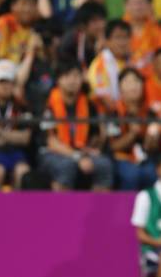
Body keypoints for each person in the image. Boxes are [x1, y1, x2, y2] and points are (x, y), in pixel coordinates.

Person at [39, 61, 113, 191]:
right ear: (58, 79)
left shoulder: (89, 104)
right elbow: (51, 141)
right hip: (53, 153)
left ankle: (100, 210)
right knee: (66, 166)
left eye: (77, 76)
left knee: (104, 164)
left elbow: (95, 137)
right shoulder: (47, 103)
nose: (72, 80)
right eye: (67, 76)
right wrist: (77, 156)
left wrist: (92, 147)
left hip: (81, 151)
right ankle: (62, 210)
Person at [0, 60, 32, 189]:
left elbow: (25, 138)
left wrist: (1, 134)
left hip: (14, 152)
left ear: (14, 83)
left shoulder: (21, 105)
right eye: (1, 81)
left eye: (8, 81)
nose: (5, 86)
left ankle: (17, 209)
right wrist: (11, 136)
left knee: (23, 172)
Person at [108, 68, 159, 190]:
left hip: (145, 159)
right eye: (128, 82)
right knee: (131, 175)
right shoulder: (114, 112)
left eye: (136, 82)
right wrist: (132, 134)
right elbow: (112, 146)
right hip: (121, 158)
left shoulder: (150, 113)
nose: (133, 86)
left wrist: (152, 139)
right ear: (120, 88)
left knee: (152, 173)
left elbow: (151, 148)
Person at [123, 0, 161, 75]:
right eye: (133, 3)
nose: (137, 7)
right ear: (125, 6)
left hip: (152, 78)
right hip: (126, 79)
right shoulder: (118, 30)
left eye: (141, 3)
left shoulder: (158, 30)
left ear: (149, 5)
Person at [87, 19, 131, 113]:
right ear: (107, 41)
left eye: (126, 37)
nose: (123, 42)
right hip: (110, 118)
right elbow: (108, 104)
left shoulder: (133, 60)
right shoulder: (99, 65)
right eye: (118, 38)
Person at [0, 0, 38, 64]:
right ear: (13, 6)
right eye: (24, 4)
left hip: (26, 68)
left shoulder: (37, 27)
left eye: (31, 5)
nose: (27, 9)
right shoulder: (3, 23)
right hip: (4, 66)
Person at [58, 1, 107, 70]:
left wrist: (102, 53)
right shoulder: (70, 42)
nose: (101, 25)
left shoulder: (110, 40)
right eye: (95, 21)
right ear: (83, 25)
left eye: (102, 19)